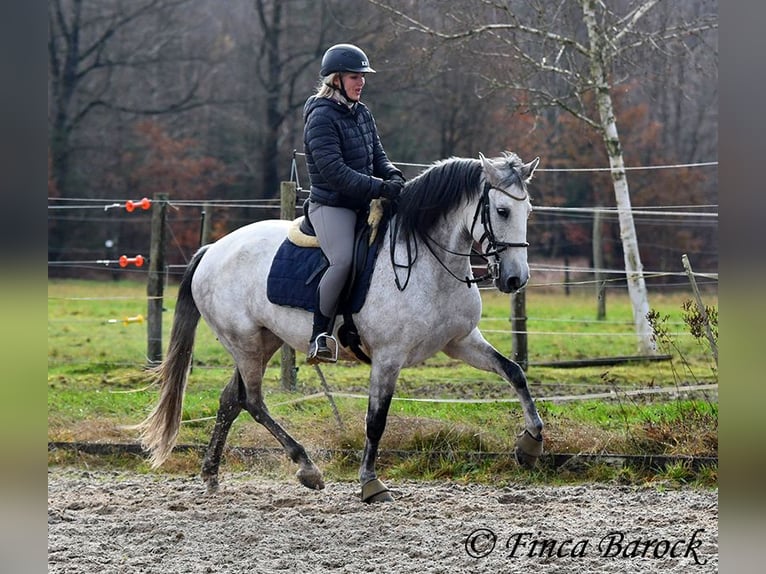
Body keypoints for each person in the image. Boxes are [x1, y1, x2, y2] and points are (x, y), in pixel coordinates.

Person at [303, 43, 405, 364]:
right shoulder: (321, 118)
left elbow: (378, 157)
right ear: (335, 79)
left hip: (363, 202)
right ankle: (320, 335)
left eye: (362, 76)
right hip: (332, 206)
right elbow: (336, 174)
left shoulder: (362, 113)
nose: (360, 82)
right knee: (343, 261)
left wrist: (395, 178)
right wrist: (381, 188)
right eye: (353, 77)